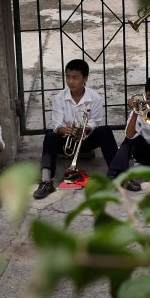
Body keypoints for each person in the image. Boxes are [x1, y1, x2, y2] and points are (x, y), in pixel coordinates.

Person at [32, 59, 118, 199]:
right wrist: (64, 130)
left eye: (75, 78)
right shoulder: (59, 98)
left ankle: (118, 175)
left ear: (85, 79)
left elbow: (94, 121)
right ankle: (46, 181)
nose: (71, 81)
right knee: (50, 136)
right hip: (66, 141)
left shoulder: (95, 98)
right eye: (68, 77)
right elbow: (56, 124)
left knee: (105, 131)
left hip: (86, 140)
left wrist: (86, 129)